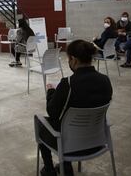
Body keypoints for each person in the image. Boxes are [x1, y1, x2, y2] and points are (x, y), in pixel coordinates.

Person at [38, 40, 113, 176]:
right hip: (97, 141)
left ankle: (49, 170)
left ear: (73, 59)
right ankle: (65, 166)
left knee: (42, 125)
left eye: (68, 59)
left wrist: (51, 92)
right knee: (67, 121)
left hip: (69, 146)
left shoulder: (68, 84)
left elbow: (52, 112)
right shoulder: (105, 80)